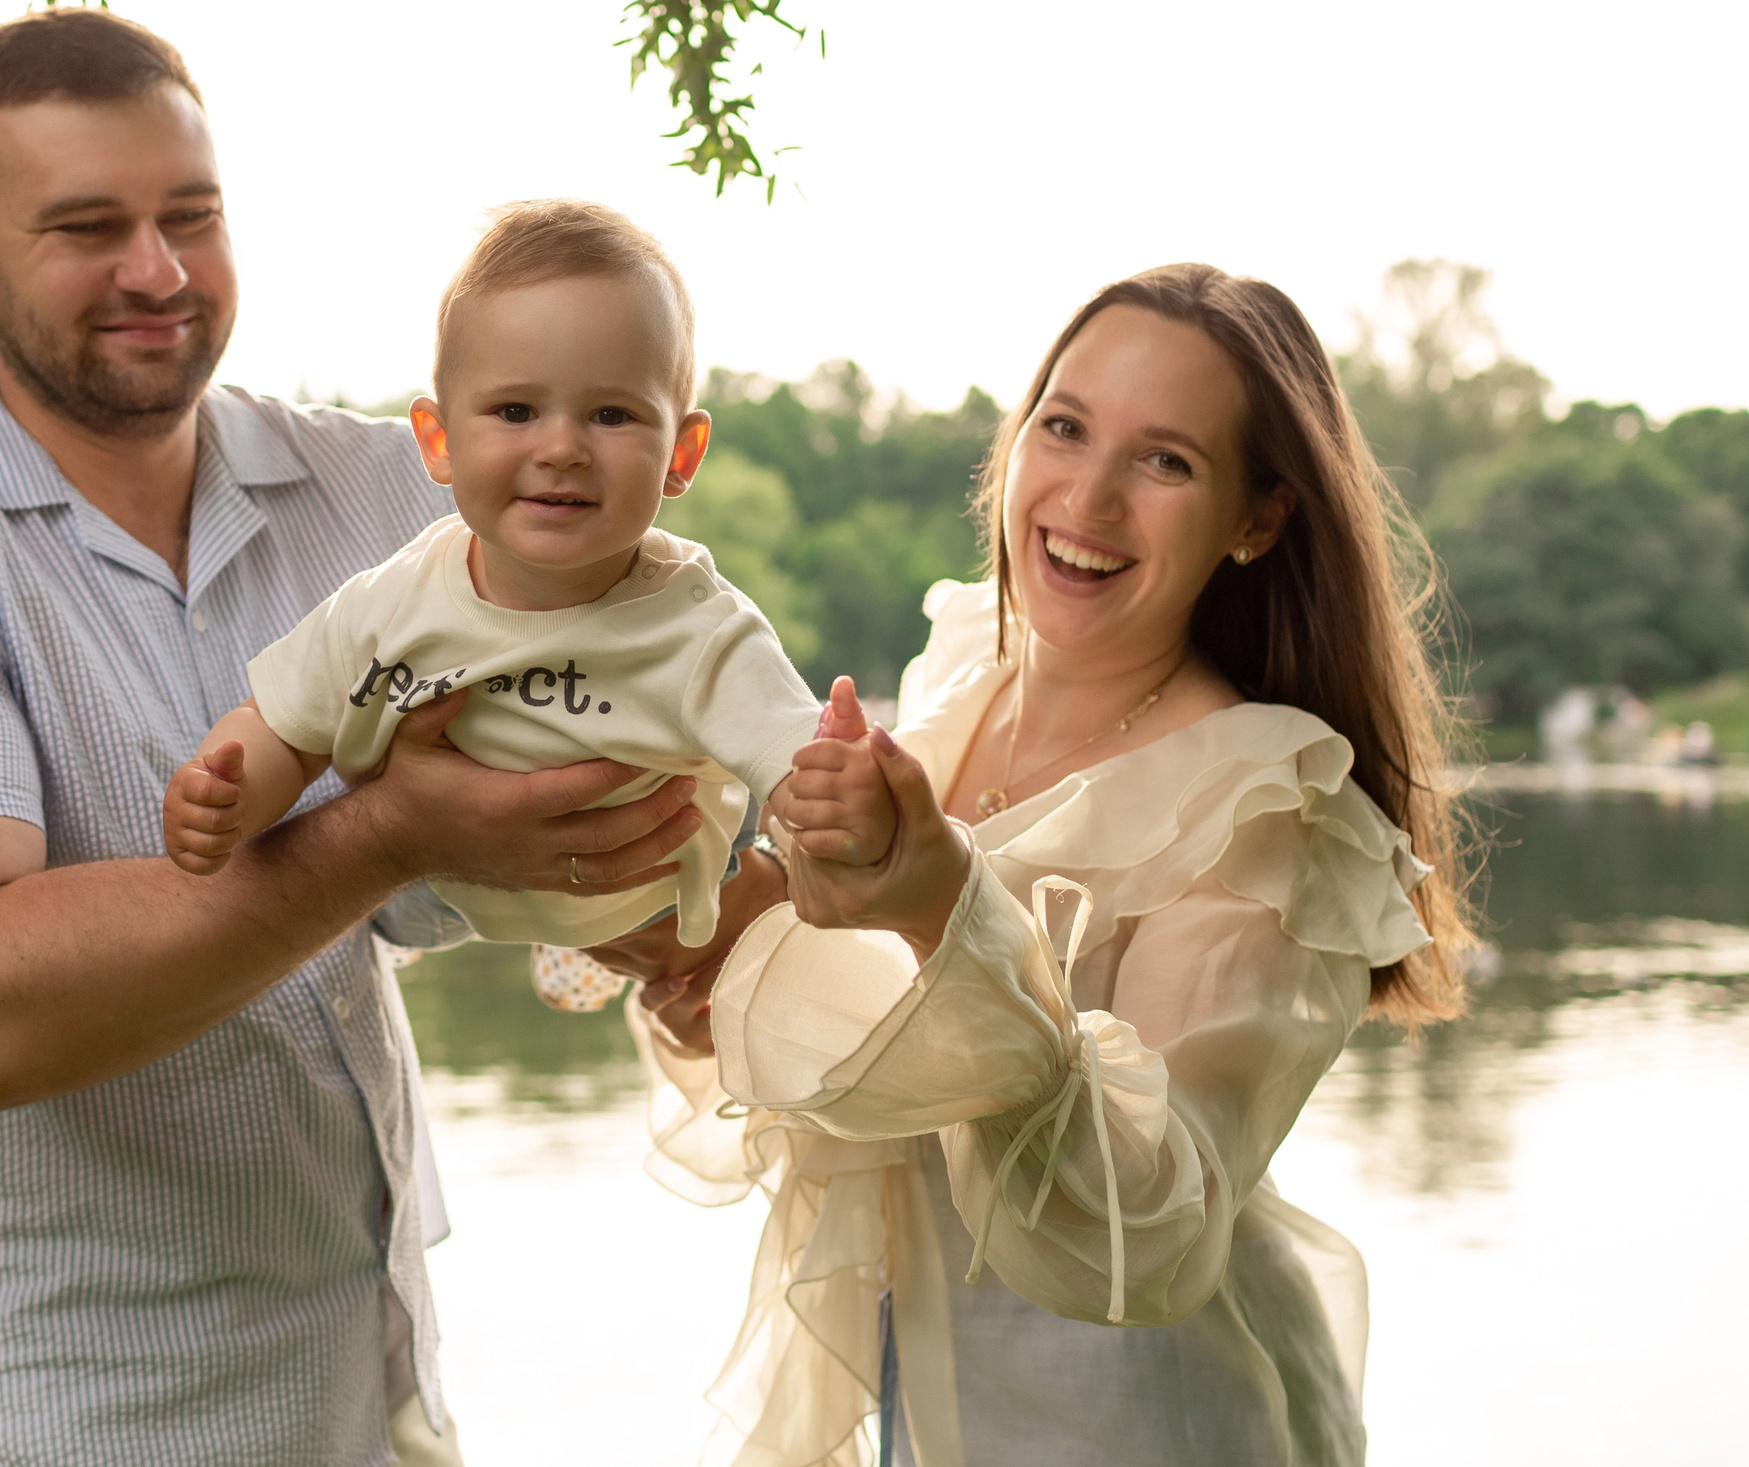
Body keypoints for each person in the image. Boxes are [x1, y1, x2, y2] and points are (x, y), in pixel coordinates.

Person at [0, 9, 745, 1467]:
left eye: (190, 216)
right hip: (67, 1414)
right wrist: (393, 828)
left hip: (373, 1377)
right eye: (89, 227)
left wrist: (718, 895)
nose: (157, 272)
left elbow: (637, 727)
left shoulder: (378, 487)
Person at [617, 263, 1478, 1467]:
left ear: (1257, 518)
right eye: (1063, 428)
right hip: (928, 1401)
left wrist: (942, 915)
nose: (1090, 496)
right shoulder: (953, 689)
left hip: (1139, 1425)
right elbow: (869, 1069)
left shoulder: (1268, 808)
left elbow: (1150, 1232)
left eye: (1165, 460)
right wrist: (722, 964)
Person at [161, 199, 896, 977]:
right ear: (439, 441)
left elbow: (790, 759)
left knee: (723, 960)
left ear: (682, 453)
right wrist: (226, 793)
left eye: (612, 414)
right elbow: (283, 724)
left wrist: (836, 793)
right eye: (515, 410)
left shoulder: (698, 626)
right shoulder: (391, 602)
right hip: (452, 893)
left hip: (649, 906)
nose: (561, 448)